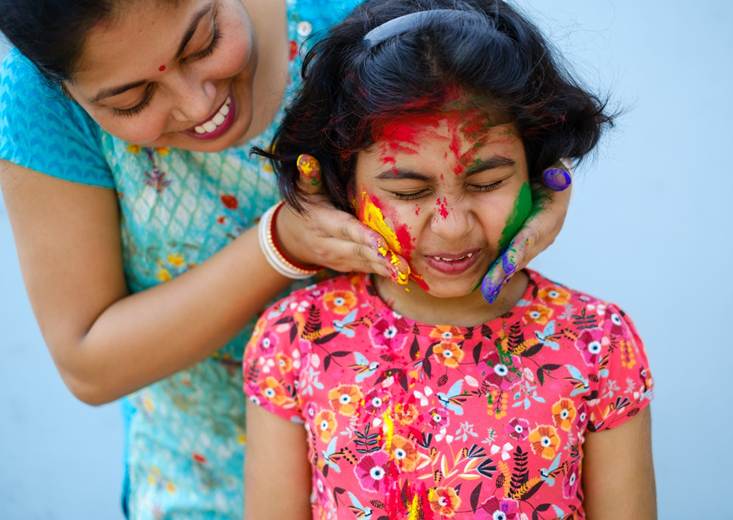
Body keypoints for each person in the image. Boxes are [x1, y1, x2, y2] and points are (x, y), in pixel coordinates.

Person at [0, 0, 570, 517]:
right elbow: (88, 362)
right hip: (200, 485)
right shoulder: (33, 98)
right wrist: (280, 244)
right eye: (132, 99)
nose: (198, 103)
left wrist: (536, 169)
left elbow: (497, 110)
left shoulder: (362, 17)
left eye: (203, 42)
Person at [242, 1, 656, 518]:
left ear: (539, 168)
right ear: (343, 188)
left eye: (487, 182)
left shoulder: (598, 343)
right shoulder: (296, 339)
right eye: (409, 190)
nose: (452, 225)